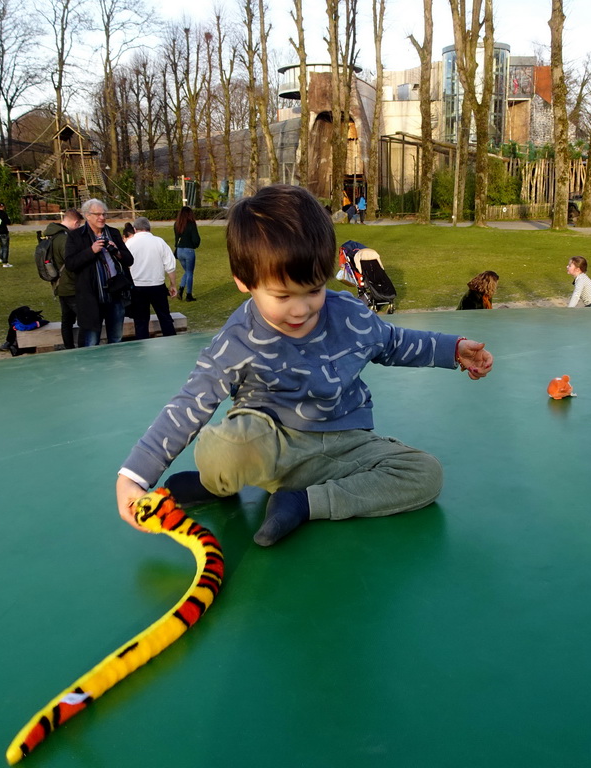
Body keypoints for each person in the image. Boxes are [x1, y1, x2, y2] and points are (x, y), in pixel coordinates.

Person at [115, 184, 494, 548]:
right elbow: (190, 402)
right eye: (282, 295)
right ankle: (219, 482)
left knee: (426, 475)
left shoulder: (348, 314)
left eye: (313, 290)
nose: (301, 309)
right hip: (269, 443)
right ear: (244, 282)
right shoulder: (239, 339)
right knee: (222, 453)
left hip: (346, 445)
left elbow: (392, 342)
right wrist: (134, 475)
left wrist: (452, 349)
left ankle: (304, 503)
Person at [64, 199, 135, 347]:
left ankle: (115, 368)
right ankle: (92, 369)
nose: (102, 217)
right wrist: (91, 251)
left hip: (115, 295)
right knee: (91, 342)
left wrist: (117, 252)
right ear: (87, 215)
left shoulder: (113, 233)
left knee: (116, 339)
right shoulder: (76, 236)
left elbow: (129, 260)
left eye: (104, 214)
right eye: (97, 214)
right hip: (91, 297)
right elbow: (70, 264)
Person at [127, 217, 178, 341]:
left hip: (137, 286)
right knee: (165, 317)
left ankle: (142, 345)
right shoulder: (159, 242)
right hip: (157, 285)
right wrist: (173, 285)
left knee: (141, 321)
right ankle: (171, 342)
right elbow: (170, 265)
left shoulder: (130, 243)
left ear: (135, 229)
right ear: (149, 228)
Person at [47, 208, 84, 350]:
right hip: (70, 285)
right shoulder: (65, 238)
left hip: (59, 284)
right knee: (84, 320)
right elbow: (71, 262)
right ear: (75, 222)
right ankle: (83, 347)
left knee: (67, 320)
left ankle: (69, 347)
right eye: (79, 224)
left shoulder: (52, 235)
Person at [173, 206, 201, 302]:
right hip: (188, 250)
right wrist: (195, 245)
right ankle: (188, 294)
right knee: (190, 272)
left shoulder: (177, 224)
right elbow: (196, 239)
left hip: (180, 250)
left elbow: (176, 239)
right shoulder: (191, 224)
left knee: (187, 271)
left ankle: (181, 289)